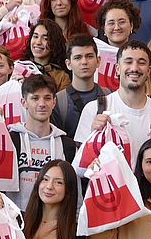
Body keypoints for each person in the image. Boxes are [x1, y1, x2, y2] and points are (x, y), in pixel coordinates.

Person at [75, 40, 151, 159]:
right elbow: (81, 168)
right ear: (117, 68)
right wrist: (94, 135)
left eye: (141, 63)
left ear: (148, 71)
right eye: (128, 62)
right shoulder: (94, 109)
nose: (134, 68)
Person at [8, 74, 77, 210]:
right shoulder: (11, 140)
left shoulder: (67, 145)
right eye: (35, 98)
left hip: (54, 223)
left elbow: (75, 193)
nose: (42, 104)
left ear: (54, 102)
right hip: (16, 222)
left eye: (47, 98)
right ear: (24, 102)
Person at [52, 34, 109, 138]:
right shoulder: (58, 102)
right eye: (78, 57)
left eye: (89, 56)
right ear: (68, 64)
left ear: (98, 61)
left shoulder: (110, 96)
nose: (84, 62)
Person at [25, 19, 71, 90]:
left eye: (45, 39)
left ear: (54, 43)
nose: (38, 42)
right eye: (35, 36)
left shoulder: (62, 77)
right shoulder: (19, 67)